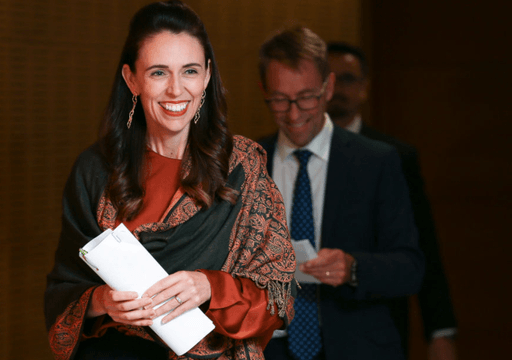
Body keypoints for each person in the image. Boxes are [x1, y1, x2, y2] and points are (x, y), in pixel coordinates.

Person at [44, 2, 296, 359]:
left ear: (207, 75)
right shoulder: (95, 169)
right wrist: (101, 301)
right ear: (132, 79)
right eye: (159, 73)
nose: (176, 90)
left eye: (189, 71)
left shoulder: (242, 168)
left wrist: (209, 286)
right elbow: (63, 287)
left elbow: (277, 298)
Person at [257, 25, 425, 360]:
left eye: (306, 97)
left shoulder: (377, 161)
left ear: (328, 87)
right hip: (268, 349)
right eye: (279, 100)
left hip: (356, 347)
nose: (293, 114)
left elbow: (411, 268)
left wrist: (352, 268)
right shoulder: (246, 164)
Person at [327, 42, 458, 360]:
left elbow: (423, 245)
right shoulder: (283, 153)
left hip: (376, 326)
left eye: (348, 79)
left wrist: (439, 331)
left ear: (364, 88)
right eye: (330, 79)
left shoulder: (394, 157)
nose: (338, 89)